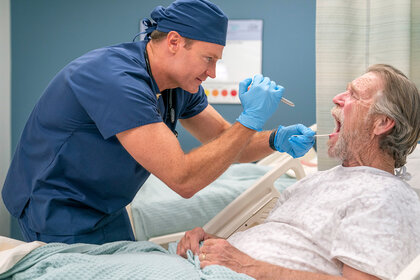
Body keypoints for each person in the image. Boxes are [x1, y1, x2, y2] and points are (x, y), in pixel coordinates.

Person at [2, 0, 315, 245]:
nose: (213, 73)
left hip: (106, 205)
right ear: (175, 42)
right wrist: (249, 121)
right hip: (57, 205)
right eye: (209, 58)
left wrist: (274, 138)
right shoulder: (116, 80)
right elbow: (183, 180)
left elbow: (224, 140)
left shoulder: (180, 85)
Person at [177, 64, 420, 280]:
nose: (337, 98)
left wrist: (245, 265)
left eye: (353, 95)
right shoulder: (314, 182)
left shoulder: (385, 196)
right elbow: (281, 242)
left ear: (382, 123)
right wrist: (211, 243)